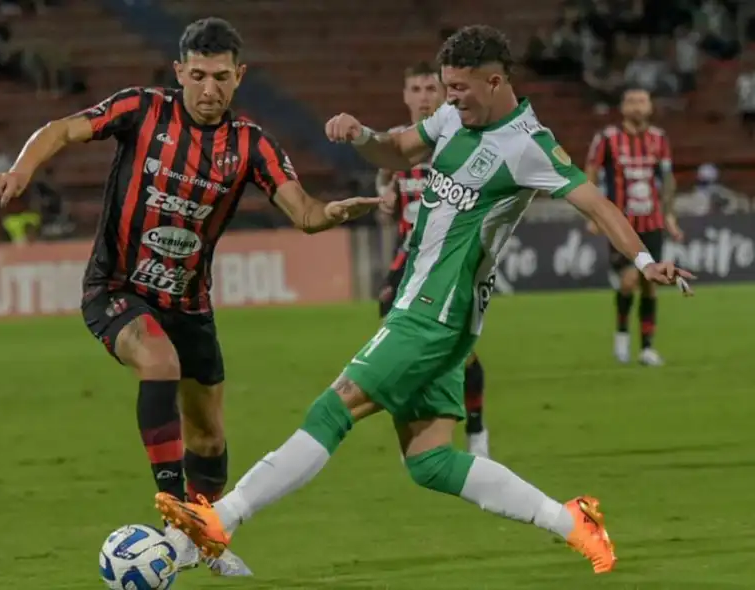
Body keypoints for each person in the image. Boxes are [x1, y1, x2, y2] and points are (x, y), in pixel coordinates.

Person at [155, 25, 695, 576]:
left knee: (334, 407)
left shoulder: (528, 145)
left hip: (435, 311)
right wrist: (360, 133)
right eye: (445, 86)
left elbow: (596, 204)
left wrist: (645, 262)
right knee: (430, 460)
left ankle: (222, 519)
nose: (448, 98)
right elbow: (396, 147)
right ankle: (573, 521)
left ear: (494, 81)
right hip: (437, 311)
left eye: (459, 88)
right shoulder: (453, 120)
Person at [0, 17, 378, 577]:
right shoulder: (142, 110)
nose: (208, 89)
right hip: (115, 287)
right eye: (197, 75)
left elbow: (304, 211)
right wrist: (22, 170)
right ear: (178, 72)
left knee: (209, 435)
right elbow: (64, 129)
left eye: (220, 77)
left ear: (240, 76)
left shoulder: (250, 145)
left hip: (189, 303)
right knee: (158, 361)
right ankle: (174, 521)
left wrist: (331, 214)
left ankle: (198, 538)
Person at [376, 63, 490, 457]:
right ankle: (423, 421)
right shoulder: (395, 142)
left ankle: (476, 430)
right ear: (405, 96)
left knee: (462, 351)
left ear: (442, 94)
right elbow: (384, 187)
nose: (424, 95)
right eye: (416, 88)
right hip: (407, 258)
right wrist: (385, 198)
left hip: (450, 261)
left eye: (430, 87)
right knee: (391, 322)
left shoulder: (462, 137)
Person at [585, 87, 683, 366]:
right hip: (621, 223)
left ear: (650, 107)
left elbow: (667, 181)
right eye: (631, 102)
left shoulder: (659, 139)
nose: (637, 107)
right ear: (623, 107)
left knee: (650, 283)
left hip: (652, 223)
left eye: (642, 101)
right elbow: (590, 172)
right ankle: (622, 336)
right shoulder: (607, 138)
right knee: (628, 281)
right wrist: (592, 214)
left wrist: (670, 217)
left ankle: (647, 348)